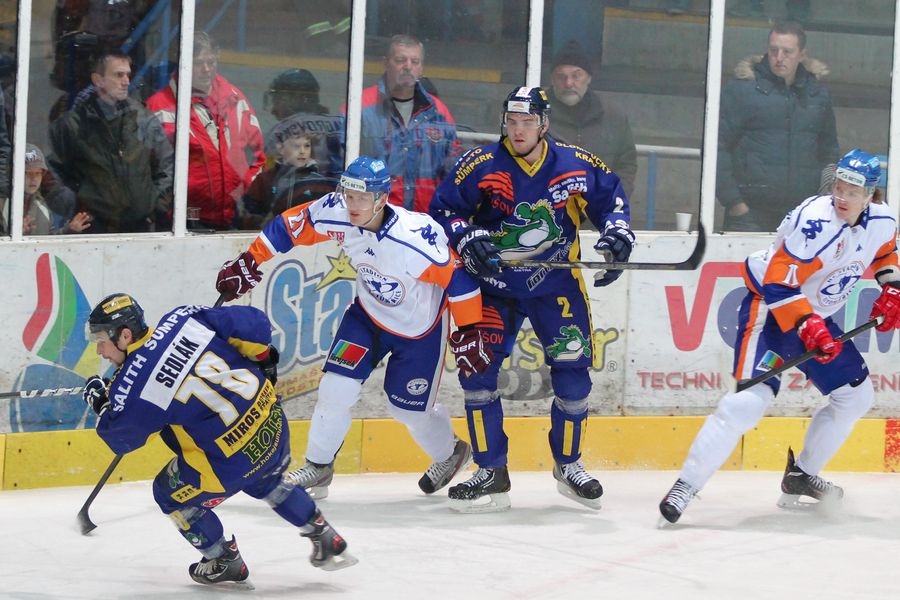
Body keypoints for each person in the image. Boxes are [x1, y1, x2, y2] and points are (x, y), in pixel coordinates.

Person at [215, 156, 489, 499]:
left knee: (405, 409)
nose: (352, 205)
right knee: (335, 388)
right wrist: (249, 260)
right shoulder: (337, 210)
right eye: (349, 195)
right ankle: (318, 466)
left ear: (382, 198)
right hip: (366, 318)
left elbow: (459, 281)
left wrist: (468, 332)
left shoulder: (415, 238)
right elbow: (289, 227)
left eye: (362, 198)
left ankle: (449, 452)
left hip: (420, 332)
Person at [659, 149, 900, 525]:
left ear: (870, 194)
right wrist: (809, 325)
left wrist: (892, 289)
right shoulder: (815, 223)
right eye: (839, 185)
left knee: (855, 396)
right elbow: (778, 281)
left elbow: (885, 254)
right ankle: (686, 485)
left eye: (853, 191)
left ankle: (801, 475)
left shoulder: (883, 220)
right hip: (771, 311)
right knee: (747, 403)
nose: (842, 195)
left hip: (812, 316)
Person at [428, 86, 635, 513]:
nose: (518, 129)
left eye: (527, 122)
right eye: (511, 121)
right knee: (478, 375)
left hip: (555, 289)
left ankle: (568, 463)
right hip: (493, 289)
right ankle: (490, 471)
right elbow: (443, 211)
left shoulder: (574, 163)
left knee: (574, 379)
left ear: (544, 124)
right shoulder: (481, 164)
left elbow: (611, 197)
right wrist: (467, 237)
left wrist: (616, 235)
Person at [82, 292, 357, 586]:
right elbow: (255, 326)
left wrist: (102, 402)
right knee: (266, 477)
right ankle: (324, 534)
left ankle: (221, 559)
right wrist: (265, 361)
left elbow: (122, 438)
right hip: (271, 427)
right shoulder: (183, 317)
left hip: (227, 464)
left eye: (101, 340)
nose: (99, 350)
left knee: (168, 494)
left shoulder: (133, 386)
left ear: (124, 335)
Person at [717, 21, 839, 232]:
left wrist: (824, 201)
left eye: (787, 51)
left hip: (803, 214)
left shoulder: (818, 95)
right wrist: (735, 203)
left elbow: (829, 151)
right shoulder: (741, 91)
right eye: (774, 50)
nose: (779, 57)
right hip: (750, 214)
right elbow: (717, 147)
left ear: (802, 54)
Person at [147, 31, 266, 230]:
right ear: (183, 63)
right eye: (198, 63)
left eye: (211, 62)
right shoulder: (158, 108)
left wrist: (244, 194)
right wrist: (164, 209)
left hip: (233, 217)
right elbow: (150, 172)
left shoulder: (236, 99)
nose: (207, 69)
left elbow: (258, 157)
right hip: (179, 223)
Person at [49, 51, 174, 233]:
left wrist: (154, 207)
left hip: (140, 230)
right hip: (93, 231)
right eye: (118, 75)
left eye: (128, 75)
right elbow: (52, 174)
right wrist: (75, 208)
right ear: (98, 80)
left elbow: (167, 164)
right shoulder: (72, 125)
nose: (126, 81)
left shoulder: (143, 118)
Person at [358, 34, 461, 212]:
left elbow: (452, 174)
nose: (408, 67)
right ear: (385, 63)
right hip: (372, 221)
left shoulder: (439, 113)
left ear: (421, 68)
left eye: (415, 61)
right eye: (400, 60)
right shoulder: (358, 107)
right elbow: (340, 169)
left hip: (424, 224)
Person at [548, 39, 637, 199]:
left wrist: (614, 196)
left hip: (597, 216)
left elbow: (627, 163)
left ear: (588, 78)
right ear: (552, 80)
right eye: (561, 77)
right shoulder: (534, 115)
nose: (568, 83)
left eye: (576, 76)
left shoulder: (612, 116)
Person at [238, 127, 328, 229]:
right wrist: (264, 223)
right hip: (270, 238)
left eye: (307, 146)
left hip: (308, 240)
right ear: (281, 148)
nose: (303, 151)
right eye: (296, 146)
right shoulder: (265, 179)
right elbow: (247, 212)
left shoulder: (317, 182)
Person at [263, 68, 344, 179]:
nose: (274, 107)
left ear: (296, 98)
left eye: (278, 98)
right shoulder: (339, 123)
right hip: (338, 192)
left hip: (293, 193)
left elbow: (268, 175)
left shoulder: (278, 133)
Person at [0, 143, 91, 235]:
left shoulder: (42, 204)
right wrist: (13, 235)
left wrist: (68, 230)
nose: (34, 179)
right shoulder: (3, 205)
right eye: (27, 173)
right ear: (12, 173)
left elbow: (48, 240)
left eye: (38, 173)